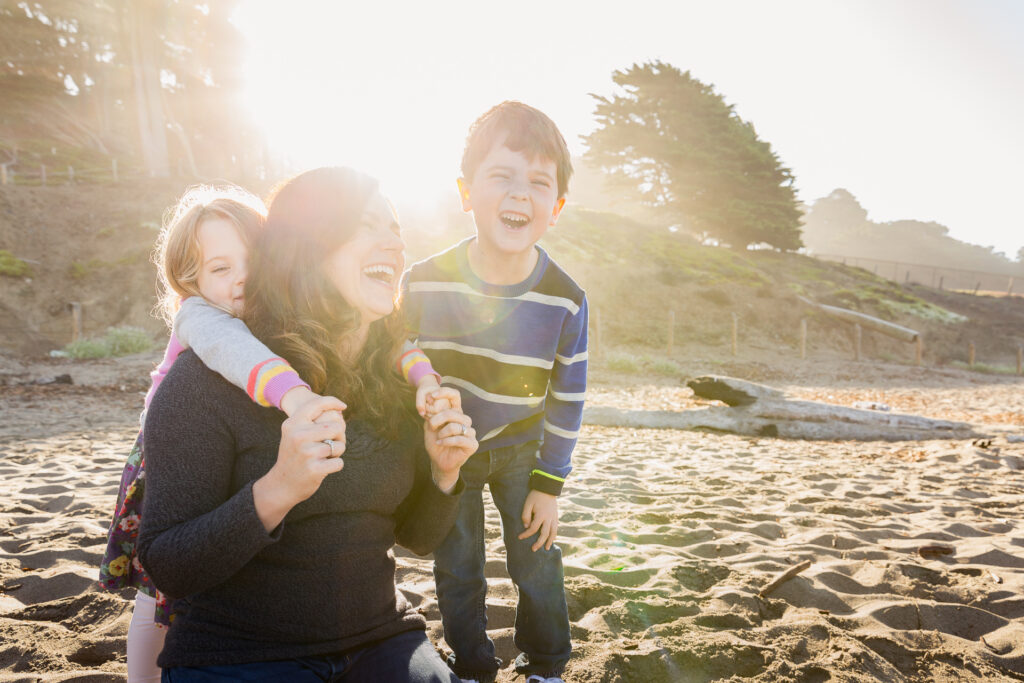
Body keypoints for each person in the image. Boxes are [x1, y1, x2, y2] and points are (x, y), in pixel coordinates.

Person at [98, 186, 443, 682]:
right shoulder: (207, 330)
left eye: (253, 261)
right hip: (168, 453)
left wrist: (439, 440)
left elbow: (420, 535)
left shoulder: (358, 355)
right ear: (191, 281)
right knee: (154, 604)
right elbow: (241, 357)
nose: (242, 279)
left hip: (376, 634)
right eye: (220, 269)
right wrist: (292, 422)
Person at [402, 101, 587, 683]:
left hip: (523, 450)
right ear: (466, 192)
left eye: (538, 183)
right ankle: (474, 664)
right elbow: (399, 359)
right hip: (450, 450)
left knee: (535, 560)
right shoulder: (424, 282)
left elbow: (568, 397)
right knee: (457, 566)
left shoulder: (565, 297)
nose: (519, 195)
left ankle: (547, 665)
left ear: (555, 208)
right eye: (501, 176)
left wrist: (549, 485)